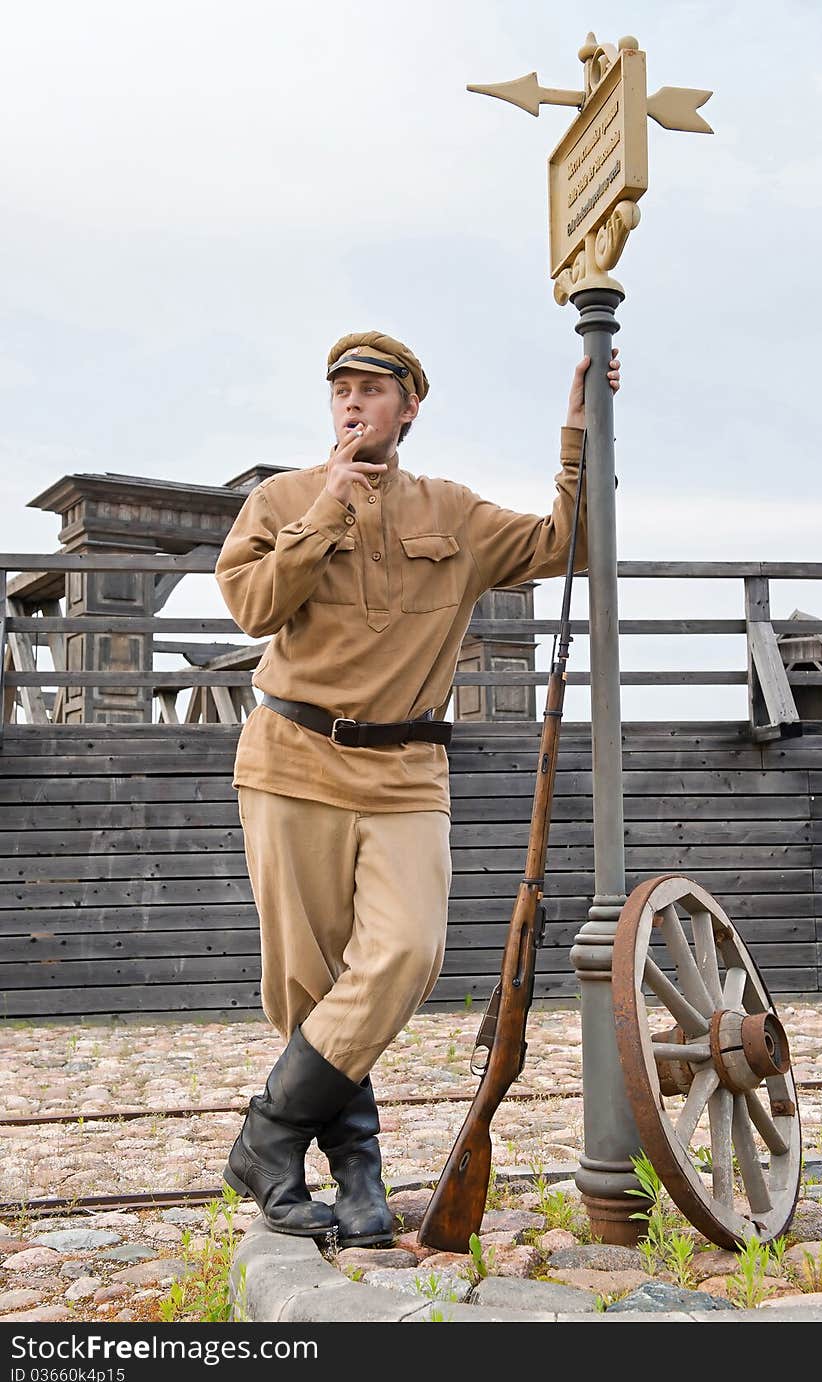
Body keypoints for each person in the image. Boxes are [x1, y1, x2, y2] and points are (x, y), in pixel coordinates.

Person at [214, 330, 620, 1248]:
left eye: (372, 391)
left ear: (409, 407)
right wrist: (325, 510)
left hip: (406, 772)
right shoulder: (280, 498)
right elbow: (251, 608)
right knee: (308, 985)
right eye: (341, 391)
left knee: (404, 954)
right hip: (293, 760)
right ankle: (358, 1173)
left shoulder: (455, 511)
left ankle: (268, 1138)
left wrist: (579, 429)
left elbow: (575, 541)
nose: (353, 404)